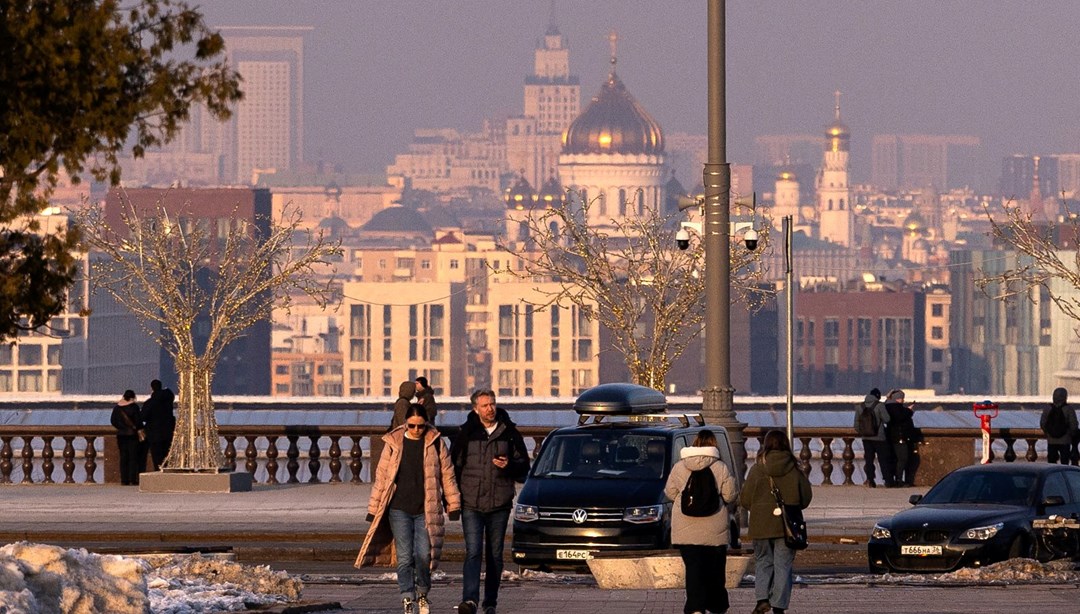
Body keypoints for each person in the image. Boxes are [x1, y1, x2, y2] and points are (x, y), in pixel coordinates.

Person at [356, 404, 461, 614]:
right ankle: (407, 597)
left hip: (426, 508)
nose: (416, 430)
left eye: (420, 426)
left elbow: (447, 475)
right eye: (412, 426)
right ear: (405, 423)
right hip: (398, 508)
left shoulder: (436, 442)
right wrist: (373, 507)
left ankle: (422, 593)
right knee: (404, 557)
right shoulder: (394, 443)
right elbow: (382, 477)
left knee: (424, 555)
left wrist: (454, 504)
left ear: (426, 424)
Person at [450, 389, 530, 614]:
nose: (490, 409)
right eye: (485, 405)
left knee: (495, 555)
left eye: (492, 404)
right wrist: (452, 498)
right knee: (473, 551)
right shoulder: (466, 433)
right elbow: (453, 467)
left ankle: (490, 602)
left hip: (499, 503)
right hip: (471, 503)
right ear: (475, 408)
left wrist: (510, 466)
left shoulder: (509, 432)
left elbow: (524, 466)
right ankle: (470, 600)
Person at [663, 429, 738, 614]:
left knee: (694, 569)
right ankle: (716, 605)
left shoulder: (680, 466)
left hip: (685, 529)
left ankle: (695, 607)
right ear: (714, 445)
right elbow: (730, 495)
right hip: (714, 528)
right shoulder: (720, 467)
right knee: (714, 570)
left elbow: (669, 492)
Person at [740, 430, 813, 614]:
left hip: (760, 524)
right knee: (783, 564)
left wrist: (759, 508)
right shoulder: (795, 469)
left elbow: (745, 499)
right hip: (787, 526)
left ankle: (762, 599)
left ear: (766, 445)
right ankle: (779, 605)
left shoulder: (757, 469)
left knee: (763, 561)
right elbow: (805, 499)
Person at [856, 388, 893, 488]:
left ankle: (870, 480)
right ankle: (887, 480)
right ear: (878, 396)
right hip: (879, 437)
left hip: (866, 438)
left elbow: (856, 425)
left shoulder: (860, 406)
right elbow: (887, 419)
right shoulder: (880, 406)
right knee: (883, 460)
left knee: (869, 460)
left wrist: (863, 432)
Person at [109, 390, 144, 486]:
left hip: (121, 436)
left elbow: (113, 421)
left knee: (123, 457)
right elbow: (138, 421)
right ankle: (133, 479)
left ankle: (124, 479)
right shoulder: (134, 407)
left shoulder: (117, 408)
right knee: (133, 457)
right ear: (133, 397)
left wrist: (121, 428)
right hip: (132, 435)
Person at [884, 389, 918, 487]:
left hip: (891, 436)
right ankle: (899, 479)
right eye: (902, 398)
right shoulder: (895, 407)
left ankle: (894, 479)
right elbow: (901, 417)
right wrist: (909, 410)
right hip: (899, 437)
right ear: (899, 399)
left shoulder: (888, 406)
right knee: (902, 458)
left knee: (895, 459)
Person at [140, 379, 176, 471]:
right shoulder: (168, 400)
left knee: (157, 456)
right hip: (168, 432)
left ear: (152, 388)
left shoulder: (149, 403)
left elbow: (143, 417)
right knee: (167, 454)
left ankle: (159, 473)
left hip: (154, 434)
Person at [1041, 387, 1077, 464]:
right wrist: (1071, 434)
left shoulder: (1047, 408)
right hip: (1065, 440)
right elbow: (1074, 425)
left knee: (1051, 463)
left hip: (1051, 440)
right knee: (1064, 462)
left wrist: (1047, 433)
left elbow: (1043, 423)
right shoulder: (1068, 409)